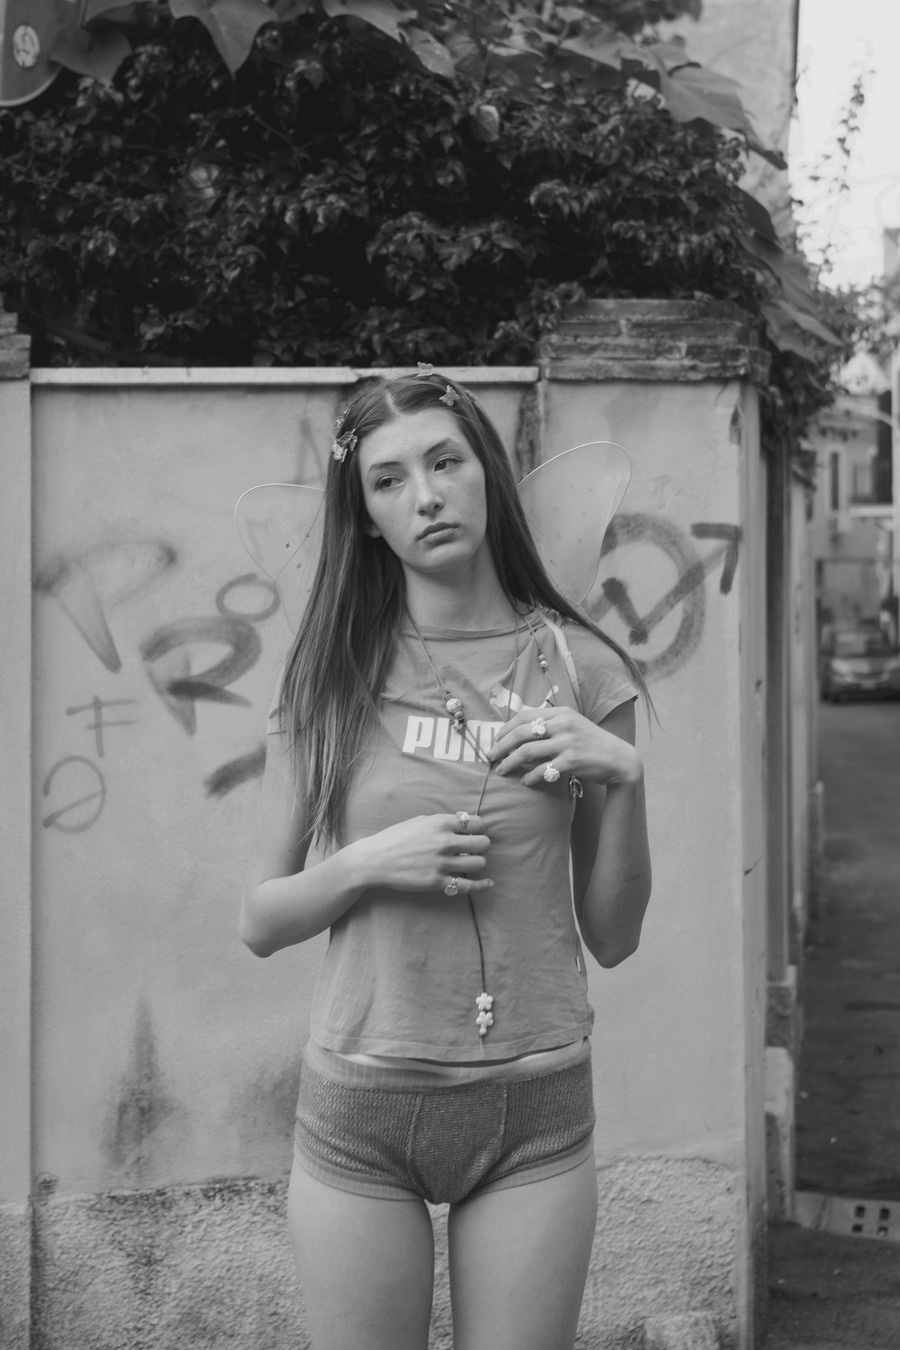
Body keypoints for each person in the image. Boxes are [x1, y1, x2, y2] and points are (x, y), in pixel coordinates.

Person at [240, 370, 652, 1350]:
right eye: (388, 481)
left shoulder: (583, 669)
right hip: (364, 1105)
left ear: (485, 474)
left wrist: (624, 777)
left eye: (443, 463)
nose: (424, 496)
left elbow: (614, 936)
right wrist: (368, 863)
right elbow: (259, 918)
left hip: (533, 1103)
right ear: (366, 516)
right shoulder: (333, 672)